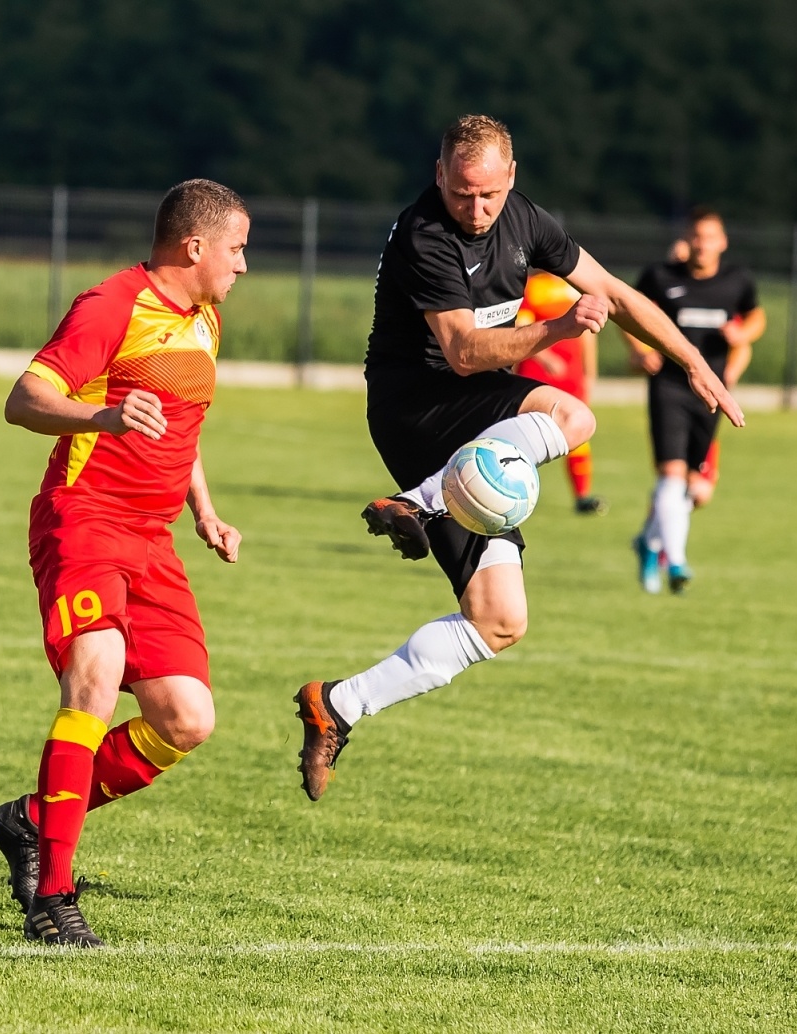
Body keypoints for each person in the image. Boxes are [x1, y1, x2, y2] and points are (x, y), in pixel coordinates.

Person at [292, 115, 743, 801]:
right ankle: (420, 499)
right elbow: (465, 351)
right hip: (416, 409)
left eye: (489, 196)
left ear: (511, 180)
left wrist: (690, 362)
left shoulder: (526, 221)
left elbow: (616, 294)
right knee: (574, 414)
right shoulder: (424, 235)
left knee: (500, 619)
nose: (475, 211)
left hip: (478, 408)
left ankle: (339, 705)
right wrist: (561, 327)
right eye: (461, 193)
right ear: (440, 175)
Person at [0, 179, 248, 946]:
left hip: (153, 539)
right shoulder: (111, 305)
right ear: (193, 247)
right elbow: (24, 398)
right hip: (84, 518)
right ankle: (53, 898)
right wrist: (101, 414)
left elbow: (180, 426)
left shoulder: (205, 320)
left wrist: (203, 510)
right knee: (95, 677)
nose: (243, 264)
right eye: (236, 248)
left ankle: (32, 821)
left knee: (186, 720)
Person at [624, 207, 766, 594]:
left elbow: (756, 317)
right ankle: (678, 562)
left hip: (712, 392)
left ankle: (648, 543)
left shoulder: (736, 281)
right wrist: (639, 350)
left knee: (696, 486)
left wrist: (743, 337)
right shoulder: (660, 277)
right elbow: (628, 312)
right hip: (669, 386)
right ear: (687, 240)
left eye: (709, 237)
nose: (702, 244)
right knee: (671, 474)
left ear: (722, 242)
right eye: (696, 236)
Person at [515, 273, 606, 515]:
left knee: (579, 434)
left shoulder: (574, 288)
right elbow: (521, 327)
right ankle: (511, 493)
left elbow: (587, 333)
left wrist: (590, 372)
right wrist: (545, 358)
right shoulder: (531, 287)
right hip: (537, 373)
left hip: (572, 375)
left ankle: (582, 496)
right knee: (524, 435)